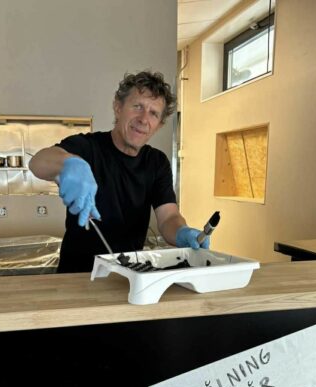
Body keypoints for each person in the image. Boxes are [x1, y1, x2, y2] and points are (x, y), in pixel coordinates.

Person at [29, 70, 209, 273]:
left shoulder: (157, 163)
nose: (143, 119)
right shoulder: (87, 147)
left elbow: (168, 217)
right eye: (138, 106)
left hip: (128, 275)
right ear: (118, 107)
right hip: (76, 276)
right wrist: (68, 163)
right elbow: (37, 163)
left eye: (153, 113)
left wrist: (182, 232)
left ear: (158, 125)